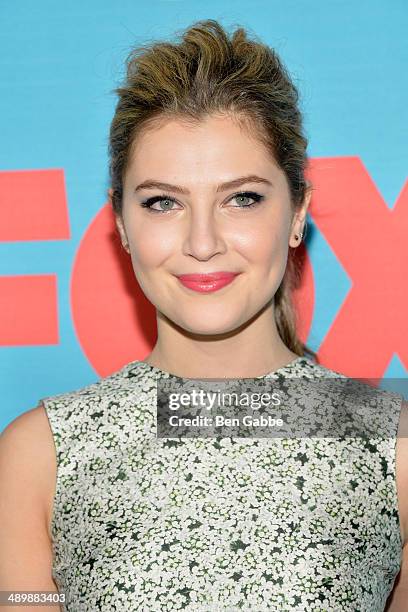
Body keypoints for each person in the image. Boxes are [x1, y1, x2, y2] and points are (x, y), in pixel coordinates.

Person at [0, 18, 407, 612]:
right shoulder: (40, 454)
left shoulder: (391, 443)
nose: (202, 242)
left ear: (298, 213)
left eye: (242, 198)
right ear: (120, 224)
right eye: (163, 203)